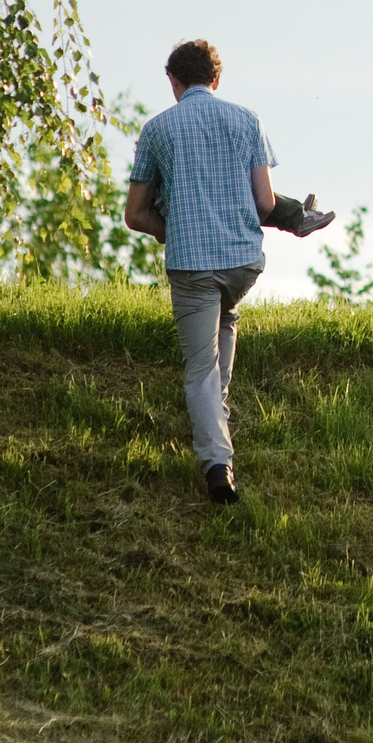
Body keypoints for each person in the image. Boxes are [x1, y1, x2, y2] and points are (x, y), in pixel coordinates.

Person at [122, 38, 324, 505]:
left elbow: (134, 214)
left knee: (200, 369)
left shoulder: (157, 129)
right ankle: (218, 422)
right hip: (241, 263)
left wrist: (173, 230)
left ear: (172, 81)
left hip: (192, 264)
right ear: (217, 79)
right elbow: (264, 203)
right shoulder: (247, 119)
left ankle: (217, 465)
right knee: (222, 329)